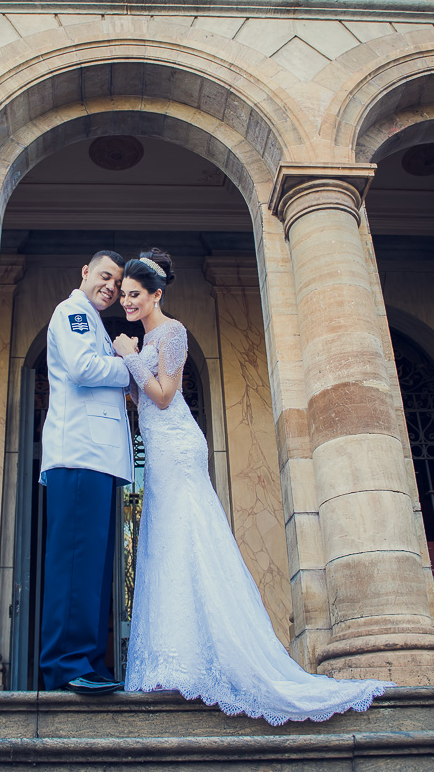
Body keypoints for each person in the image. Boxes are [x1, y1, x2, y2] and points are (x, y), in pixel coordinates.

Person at [111, 248, 394, 724]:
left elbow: (164, 396)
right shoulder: (146, 340)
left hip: (179, 447)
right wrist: (126, 378)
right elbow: (143, 399)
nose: (126, 303)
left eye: (134, 295)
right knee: (165, 544)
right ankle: (173, 660)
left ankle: (199, 661)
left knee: (188, 538)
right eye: (123, 296)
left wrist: (130, 358)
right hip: (157, 452)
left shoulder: (172, 332)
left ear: (156, 294)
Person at [39, 249, 134, 695]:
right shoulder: (72, 312)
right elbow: (82, 368)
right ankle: (65, 664)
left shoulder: (93, 321)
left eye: (116, 283)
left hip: (97, 458)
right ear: (85, 272)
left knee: (93, 568)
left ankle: (90, 661)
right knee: (74, 564)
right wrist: (129, 365)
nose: (111, 287)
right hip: (78, 453)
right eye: (105, 276)